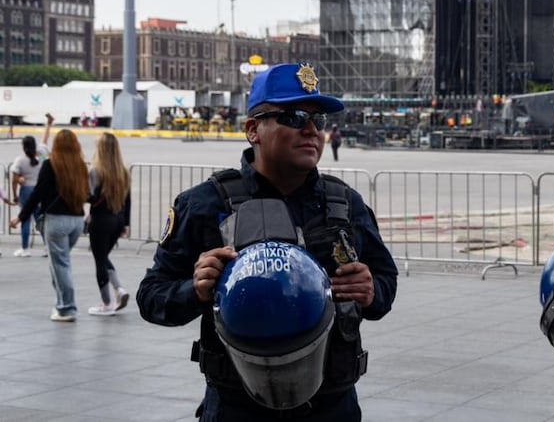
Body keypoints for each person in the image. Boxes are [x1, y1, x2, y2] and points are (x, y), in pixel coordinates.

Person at [137, 63, 398, 422]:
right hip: (237, 408)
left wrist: (371, 291)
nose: (311, 130)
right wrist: (194, 290)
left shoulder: (346, 204)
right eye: (293, 117)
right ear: (252, 130)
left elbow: (386, 283)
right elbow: (151, 296)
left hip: (332, 406)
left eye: (318, 120)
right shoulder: (203, 205)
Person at [10, 129, 89, 322]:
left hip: (56, 220)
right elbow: (87, 193)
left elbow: (38, 193)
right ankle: (61, 303)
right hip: (76, 220)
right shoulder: (80, 166)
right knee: (61, 262)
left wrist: (21, 216)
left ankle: (67, 308)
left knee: (60, 264)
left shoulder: (50, 165)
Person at [85, 133, 132, 316]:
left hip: (101, 220)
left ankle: (106, 303)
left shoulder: (96, 171)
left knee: (99, 260)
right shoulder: (123, 171)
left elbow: (90, 196)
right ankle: (119, 290)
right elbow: (128, 200)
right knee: (103, 257)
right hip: (117, 219)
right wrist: (126, 224)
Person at [10, 112, 54, 257]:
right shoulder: (41, 154)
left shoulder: (20, 161)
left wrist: (15, 195)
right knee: (40, 221)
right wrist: (49, 123)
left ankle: (25, 248)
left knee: (25, 219)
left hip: (26, 191)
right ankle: (47, 248)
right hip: (40, 191)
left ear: (23, 147)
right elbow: (45, 138)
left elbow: (14, 180)